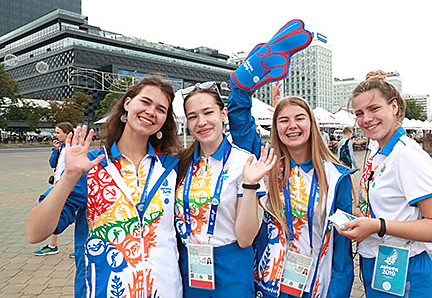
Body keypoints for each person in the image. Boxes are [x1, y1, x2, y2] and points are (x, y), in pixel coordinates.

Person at [26, 74, 183, 298]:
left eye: (161, 109)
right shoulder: (91, 165)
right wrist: (69, 175)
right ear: (128, 104)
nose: (151, 112)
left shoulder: (172, 168)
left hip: (166, 291)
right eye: (145, 102)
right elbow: (35, 232)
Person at [337, 70, 432, 298]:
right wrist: (359, 218)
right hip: (382, 266)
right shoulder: (380, 152)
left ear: (393, 107)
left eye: (374, 109)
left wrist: (378, 226)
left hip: (406, 270)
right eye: (359, 113)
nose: (366, 119)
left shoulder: (407, 155)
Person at [228, 88, 355, 298]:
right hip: (268, 283)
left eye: (299, 118)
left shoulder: (336, 177)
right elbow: (240, 125)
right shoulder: (267, 165)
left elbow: (342, 250)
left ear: (311, 124)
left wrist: (337, 293)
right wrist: (242, 84)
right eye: (283, 120)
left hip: (314, 284)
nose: (292, 125)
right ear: (276, 128)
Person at [175, 83, 276, 297]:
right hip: (190, 265)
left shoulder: (243, 162)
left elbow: (245, 238)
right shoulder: (180, 164)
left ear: (223, 114)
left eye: (208, 112)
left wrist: (249, 185)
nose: (201, 122)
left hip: (232, 263)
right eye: (192, 116)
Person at [34, 121, 74, 256]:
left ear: (68, 134)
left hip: (69, 187)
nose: (55, 135)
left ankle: (81, 247)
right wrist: (55, 151)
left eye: (58, 132)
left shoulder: (74, 148)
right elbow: (52, 164)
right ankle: (53, 245)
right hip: (58, 186)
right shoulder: (61, 148)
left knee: (74, 216)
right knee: (56, 214)